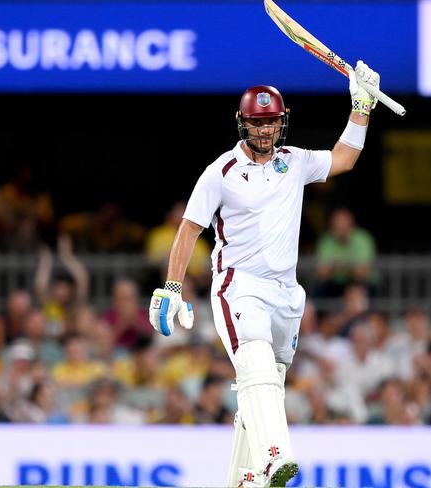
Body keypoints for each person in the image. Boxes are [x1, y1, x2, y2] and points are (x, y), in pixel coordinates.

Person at [148, 61, 380, 487]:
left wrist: (361, 106)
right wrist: (173, 286)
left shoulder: (294, 162)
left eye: (272, 122)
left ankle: (244, 479)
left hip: (286, 294)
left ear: (282, 122)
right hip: (239, 285)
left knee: (263, 390)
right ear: (243, 125)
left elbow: (344, 159)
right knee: (255, 370)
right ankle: (276, 458)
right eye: (258, 124)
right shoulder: (220, 172)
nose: (266, 132)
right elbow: (189, 228)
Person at [314, 207, 377, 298]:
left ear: (352, 225)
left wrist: (335, 266)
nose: (341, 231)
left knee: (365, 289)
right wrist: (350, 266)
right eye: (337, 227)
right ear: (332, 227)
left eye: (344, 226)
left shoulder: (363, 239)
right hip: (334, 283)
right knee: (319, 290)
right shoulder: (325, 241)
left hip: (360, 283)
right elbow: (322, 273)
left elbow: (362, 272)